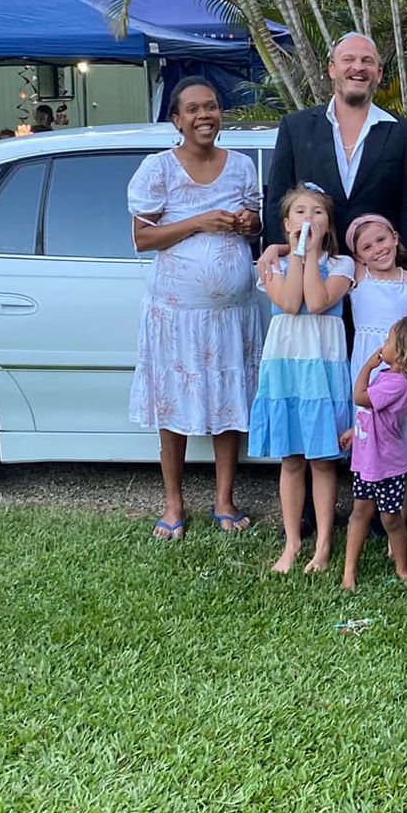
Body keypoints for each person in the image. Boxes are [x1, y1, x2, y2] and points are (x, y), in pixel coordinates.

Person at [126, 78, 265, 541]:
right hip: (176, 317)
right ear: (177, 119)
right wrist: (199, 222)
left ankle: (224, 499)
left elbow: (258, 228)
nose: (204, 115)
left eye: (212, 107)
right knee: (173, 407)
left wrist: (250, 224)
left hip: (232, 316)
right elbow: (142, 238)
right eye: (193, 109)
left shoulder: (242, 166)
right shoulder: (158, 169)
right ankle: (173, 504)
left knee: (230, 404)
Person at [251, 185, 356, 574]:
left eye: (317, 212)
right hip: (286, 366)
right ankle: (293, 541)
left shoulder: (344, 266)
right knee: (291, 458)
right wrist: (290, 253)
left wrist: (310, 255)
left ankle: (325, 544)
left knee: (323, 460)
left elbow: (314, 301)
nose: (308, 219)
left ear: (328, 225)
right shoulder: (272, 267)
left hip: (323, 366)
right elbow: (290, 302)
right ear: (285, 223)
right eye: (299, 212)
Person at [262, 34, 407, 248]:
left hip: (378, 269)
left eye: (367, 61)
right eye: (348, 59)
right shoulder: (295, 127)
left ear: (379, 74)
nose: (358, 67)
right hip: (312, 267)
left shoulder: (403, 132)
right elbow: (277, 202)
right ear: (332, 69)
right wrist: (279, 255)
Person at [340, 316, 407, 592]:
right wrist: (356, 431)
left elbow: (360, 397)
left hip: (387, 465)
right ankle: (349, 571)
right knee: (360, 513)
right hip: (367, 460)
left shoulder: (398, 384)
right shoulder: (388, 377)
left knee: (391, 518)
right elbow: (373, 413)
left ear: (402, 355)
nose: (383, 345)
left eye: (388, 341)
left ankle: (402, 567)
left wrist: (367, 365)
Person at [346, 215, 407, 462]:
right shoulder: (359, 276)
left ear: (395, 238)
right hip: (372, 361)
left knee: (404, 441)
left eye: (381, 239)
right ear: (358, 257)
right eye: (367, 247)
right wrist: (274, 248)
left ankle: (401, 501)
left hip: (405, 367)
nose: (378, 249)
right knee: (370, 432)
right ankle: (370, 494)